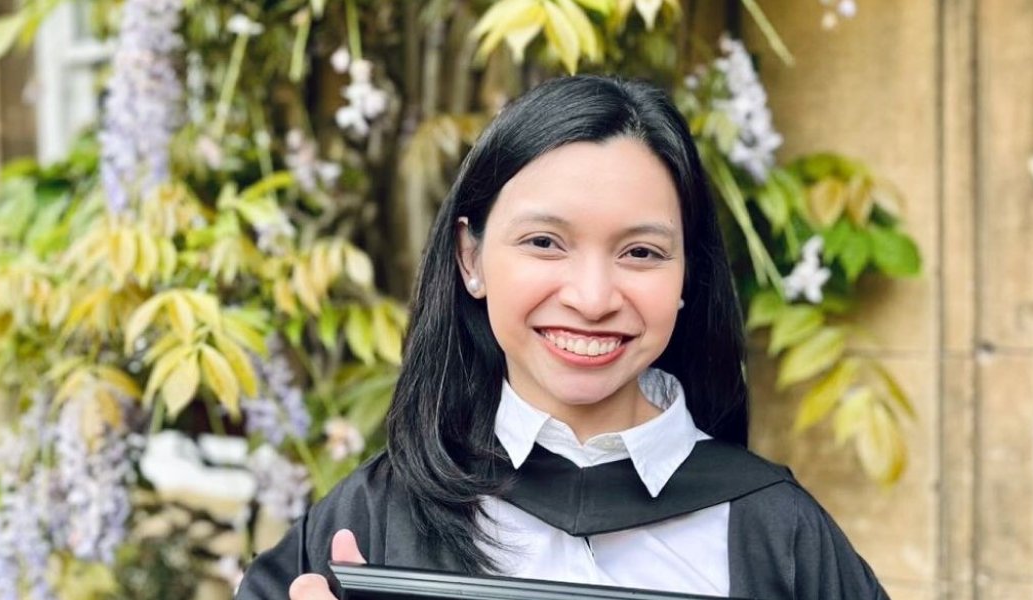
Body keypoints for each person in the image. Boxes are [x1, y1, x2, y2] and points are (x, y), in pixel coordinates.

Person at [235, 75, 889, 600]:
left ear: (689, 274)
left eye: (641, 252)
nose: (593, 298)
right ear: (471, 258)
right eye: (544, 243)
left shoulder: (776, 533)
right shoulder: (368, 523)